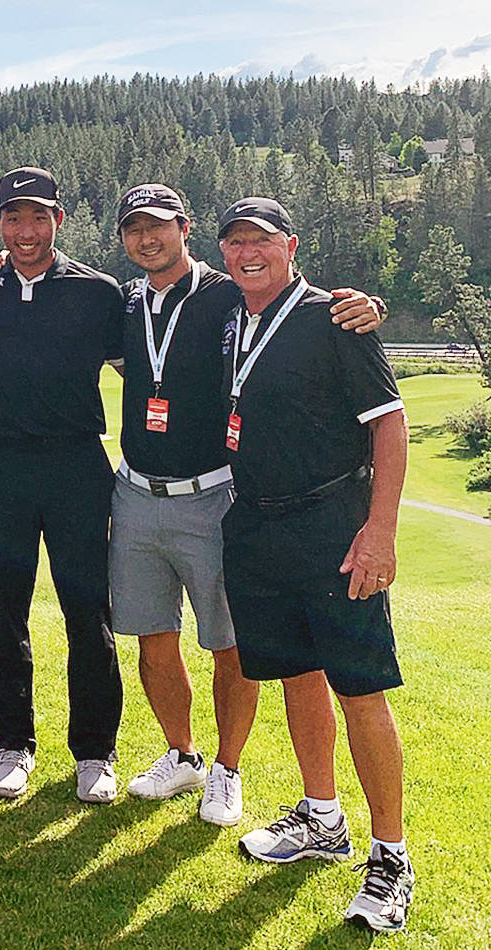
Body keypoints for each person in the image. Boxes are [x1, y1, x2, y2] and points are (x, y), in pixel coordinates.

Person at [108, 184, 383, 826]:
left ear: (186, 228)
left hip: (214, 494)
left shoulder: (227, 291)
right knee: (154, 638)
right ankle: (182, 755)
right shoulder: (122, 302)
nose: (148, 239)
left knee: (230, 643)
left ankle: (227, 770)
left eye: (160, 227)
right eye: (135, 229)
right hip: (137, 492)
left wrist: (368, 305)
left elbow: (299, 299)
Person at [215, 197, 413, 933]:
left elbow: (391, 428)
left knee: (360, 689)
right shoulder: (231, 314)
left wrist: (379, 532)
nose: (247, 254)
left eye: (260, 241)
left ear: (290, 244)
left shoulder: (337, 317)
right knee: (297, 674)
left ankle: (389, 855)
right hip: (258, 526)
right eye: (234, 243)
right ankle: (323, 818)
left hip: (334, 525)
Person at [0, 167, 123, 802]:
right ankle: (13, 744)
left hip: (77, 466)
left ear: (59, 220)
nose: (25, 230)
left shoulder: (100, 292)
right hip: (1, 463)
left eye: (38, 217)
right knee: (5, 610)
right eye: (13, 217)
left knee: (89, 612)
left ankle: (95, 752)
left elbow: (188, 314)